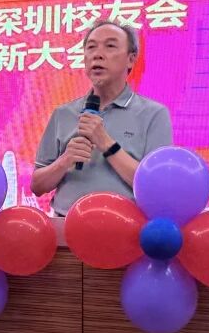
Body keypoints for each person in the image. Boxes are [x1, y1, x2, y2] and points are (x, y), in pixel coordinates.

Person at [32, 19, 173, 216]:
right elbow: (37, 186)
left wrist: (105, 142)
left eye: (110, 46)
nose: (97, 55)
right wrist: (64, 161)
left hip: (126, 227)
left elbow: (156, 187)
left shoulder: (154, 114)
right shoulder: (63, 113)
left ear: (131, 59)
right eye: (91, 47)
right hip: (65, 225)